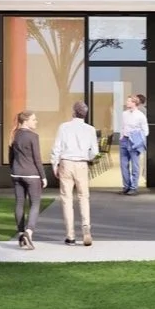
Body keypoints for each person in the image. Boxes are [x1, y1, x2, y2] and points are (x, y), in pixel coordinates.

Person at [49, 100, 101, 245]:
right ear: (85, 114)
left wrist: (54, 164)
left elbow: (57, 148)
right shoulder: (90, 129)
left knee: (67, 200)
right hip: (82, 164)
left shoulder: (64, 127)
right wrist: (87, 158)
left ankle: (70, 235)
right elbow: (95, 152)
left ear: (73, 112)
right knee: (84, 197)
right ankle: (86, 227)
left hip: (66, 163)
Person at [9, 111, 45, 249]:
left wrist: (13, 171)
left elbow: (11, 156)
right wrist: (43, 176)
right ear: (26, 121)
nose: (36, 122)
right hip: (32, 175)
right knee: (35, 203)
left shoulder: (14, 134)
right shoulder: (33, 136)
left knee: (19, 203)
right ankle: (29, 232)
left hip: (16, 174)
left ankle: (21, 234)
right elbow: (37, 158)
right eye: (34, 119)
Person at [118, 94, 149, 195]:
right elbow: (122, 126)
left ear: (134, 103)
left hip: (134, 142)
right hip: (124, 141)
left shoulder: (140, 116)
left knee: (135, 166)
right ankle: (126, 186)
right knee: (123, 165)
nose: (127, 102)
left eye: (129, 101)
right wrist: (121, 137)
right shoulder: (124, 114)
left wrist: (137, 140)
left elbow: (146, 131)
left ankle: (133, 187)